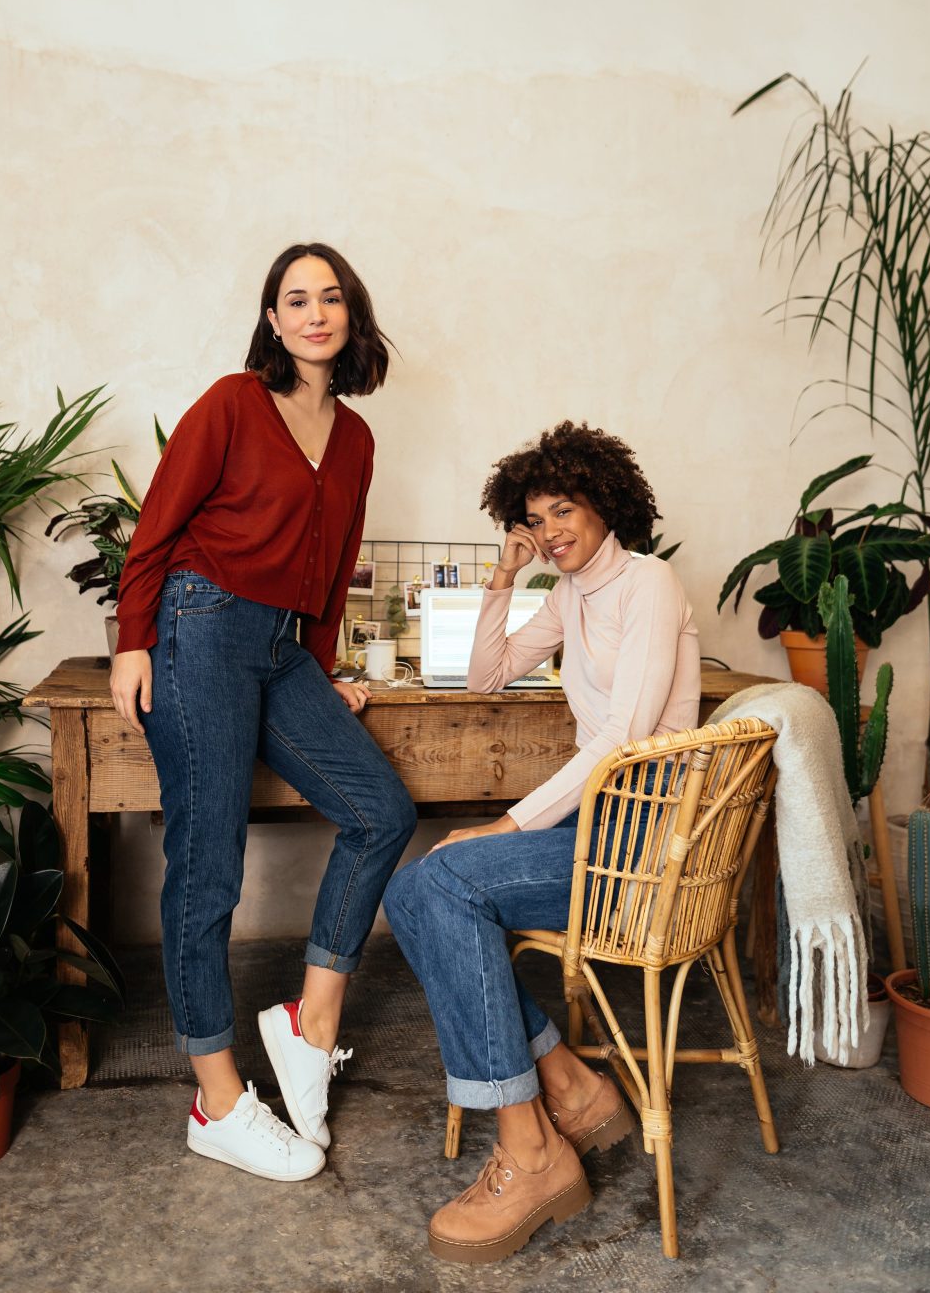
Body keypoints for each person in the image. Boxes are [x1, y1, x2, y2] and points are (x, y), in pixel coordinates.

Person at [110, 243, 417, 1183]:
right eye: (297, 299)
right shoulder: (234, 404)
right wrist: (133, 640)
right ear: (273, 320)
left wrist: (318, 672)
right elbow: (158, 521)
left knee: (380, 810)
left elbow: (330, 569)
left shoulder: (357, 439)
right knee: (209, 868)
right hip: (198, 628)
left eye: (331, 298)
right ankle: (219, 1100)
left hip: (282, 647)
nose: (315, 313)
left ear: (352, 316)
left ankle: (308, 1022)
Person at [384, 421, 700, 1263]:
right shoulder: (568, 595)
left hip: (645, 845)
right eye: (537, 518)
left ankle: (531, 1149)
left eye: (566, 510)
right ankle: (566, 1089)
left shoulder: (649, 584)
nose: (553, 530)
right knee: (415, 886)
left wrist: (508, 821)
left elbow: (622, 738)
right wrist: (503, 579)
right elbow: (484, 675)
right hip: (600, 830)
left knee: (438, 880)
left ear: (606, 503)